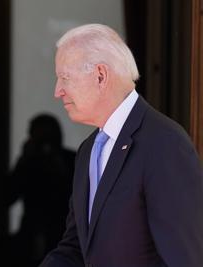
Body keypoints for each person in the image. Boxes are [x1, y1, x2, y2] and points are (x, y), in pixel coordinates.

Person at [39, 24, 203, 267]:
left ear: (101, 76)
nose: (57, 91)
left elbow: (186, 258)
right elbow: (75, 249)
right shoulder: (88, 151)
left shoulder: (164, 144)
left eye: (65, 78)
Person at [4, 113, 76, 267]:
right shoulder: (28, 163)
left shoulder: (71, 160)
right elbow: (5, 197)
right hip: (31, 235)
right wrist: (23, 161)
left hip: (64, 233)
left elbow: (80, 197)